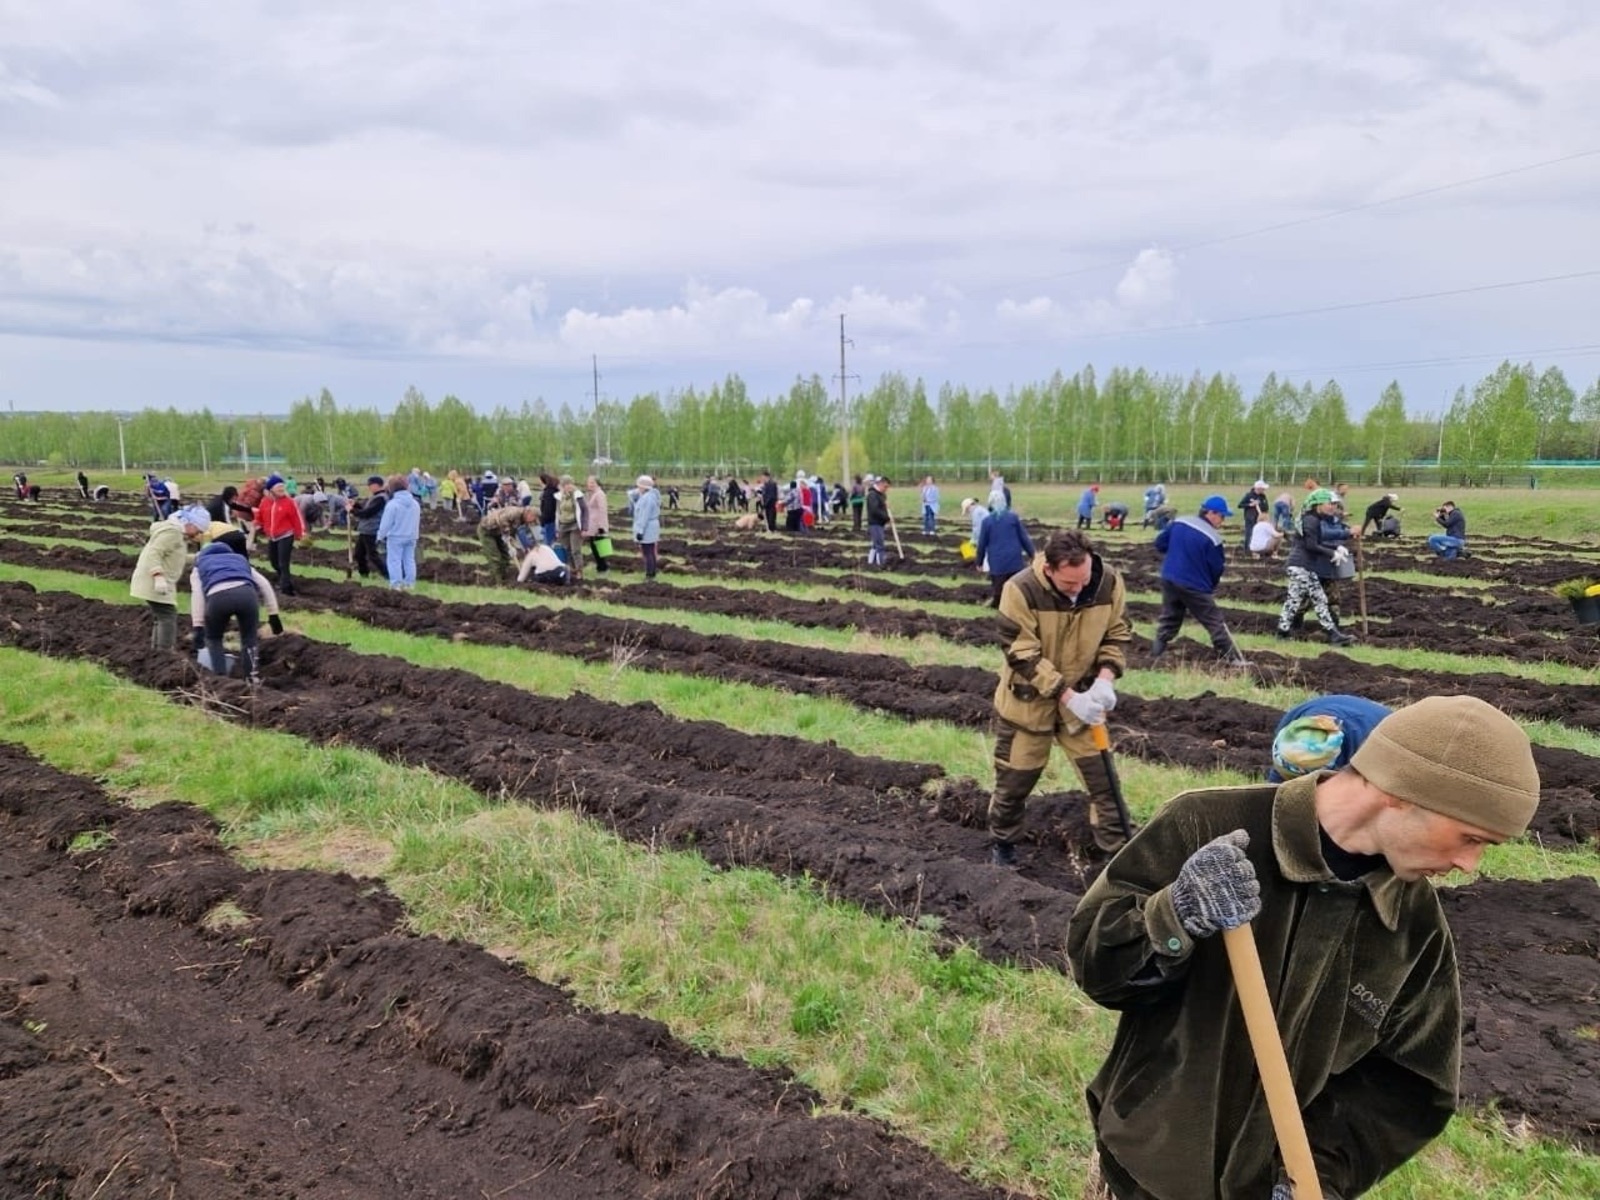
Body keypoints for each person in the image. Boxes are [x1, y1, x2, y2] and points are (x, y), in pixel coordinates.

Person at [1067, 695, 1539, 1200]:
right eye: (1471, 838)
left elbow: (1407, 1086)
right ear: (1400, 793)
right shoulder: (1205, 823)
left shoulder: (1413, 928)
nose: (1471, 865)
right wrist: (1174, 915)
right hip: (1145, 1169)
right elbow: (1096, 968)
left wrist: (1319, 1175)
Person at [986, 530, 1132, 865]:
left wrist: (1105, 680)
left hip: (1083, 705)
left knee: (1105, 785)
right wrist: (1067, 696)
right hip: (1027, 704)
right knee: (1014, 784)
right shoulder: (1020, 590)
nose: (1078, 590)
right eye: (1069, 584)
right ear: (1049, 569)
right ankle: (1004, 848)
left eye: (1083, 581)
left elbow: (1118, 633)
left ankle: (1120, 861)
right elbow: (1021, 653)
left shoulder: (1107, 582)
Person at [1150, 495, 1249, 667]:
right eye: (1222, 516)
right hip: (1194, 585)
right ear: (1211, 513)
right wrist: (1208, 587)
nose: (1223, 521)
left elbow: (1159, 544)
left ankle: (1154, 655)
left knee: (1170, 617)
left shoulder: (1180, 522)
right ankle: (1234, 659)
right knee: (1214, 620)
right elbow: (1216, 568)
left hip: (1169, 578)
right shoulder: (1213, 539)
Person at [188, 530, 283, 684]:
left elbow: (197, 595)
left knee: (213, 638)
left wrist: (198, 626)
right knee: (249, 639)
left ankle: (220, 678)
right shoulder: (240, 560)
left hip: (218, 598)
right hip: (247, 596)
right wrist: (273, 614)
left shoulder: (200, 565)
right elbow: (264, 584)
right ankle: (251, 678)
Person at [1275, 489, 1356, 645]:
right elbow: (1311, 545)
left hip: (1300, 565)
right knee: (1319, 600)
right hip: (1302, 565)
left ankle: (1282, 632)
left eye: (1334, 504)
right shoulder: (1311, 520)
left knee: (1293, 600)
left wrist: (1336, 549)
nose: (1332, 507)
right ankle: (1333, 635)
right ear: (1317, 504)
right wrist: (1332, 553)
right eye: (1329, 504)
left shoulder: (1313, 519)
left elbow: (1316, 543)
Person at [130, 505, 210, 652]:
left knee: (161, 616)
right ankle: (165, 652)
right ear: (190, 523)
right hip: (154, 580)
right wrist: (158, 576)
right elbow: (154, 553)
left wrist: (197, 558)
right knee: (167, 615)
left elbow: (176, 557)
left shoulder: (178, 534)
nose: (198, 534)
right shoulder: (173, 532)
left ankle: (156, 652)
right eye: (199, 529)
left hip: (155, 580)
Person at [1267, 695, 1392, 783]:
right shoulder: (1291, 731)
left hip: (1379, 732)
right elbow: (1277, 782)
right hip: (1337, 705)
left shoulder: (1368, 745)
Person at [973, 497, 1035, 608]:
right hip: (1014, 560)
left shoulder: (987, 522)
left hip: (997, 563)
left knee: (999, 592)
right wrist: (1032, 554)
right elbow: (1024, 538)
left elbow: (982, 543)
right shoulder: (1013, 518)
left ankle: (1000, 605)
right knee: (1017, 587)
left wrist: (979, 562)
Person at [254, 474, 306, 596]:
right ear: (271, 490)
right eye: (278, 488)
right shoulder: (265, 502)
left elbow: (297, 519)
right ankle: (284, 579)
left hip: (286, 535)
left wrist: (300, 534)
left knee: (283, 563)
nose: (281, 490)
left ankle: (286, 589)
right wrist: (258, 523)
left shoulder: (289, 502)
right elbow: (260, 515)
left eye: (282, 488)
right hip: (272, 536)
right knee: (274, 562)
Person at [375, 472, 420, 590]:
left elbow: (385, 524)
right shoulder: (415, 503)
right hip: (411, 536)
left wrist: (379, 536)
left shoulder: (392, 505)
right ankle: (410, 584)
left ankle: (396, 585)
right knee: (409, 560)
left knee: (394, 561)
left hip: (396, 537)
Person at [478, 501, 538, 584]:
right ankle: (497, 581)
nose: (532, 521)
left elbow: (526, 533)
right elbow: (502, 519)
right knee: (495, 556)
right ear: (529, 513)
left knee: (505, 556)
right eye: (533, 518)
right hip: (487, 530)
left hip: (498, 533)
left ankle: (503, 576)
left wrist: (529, 547)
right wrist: (507, 535)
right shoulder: (514, 512)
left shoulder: (523, 520)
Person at [346, 475, 389, 578]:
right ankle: (364, 574)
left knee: (372, 555)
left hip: (372, 530)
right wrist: (355, 505)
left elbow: (368, 513)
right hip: (365, 530)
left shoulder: (381, 499)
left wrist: (352, 510)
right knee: (359, 554)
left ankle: (387, 575)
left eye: (370, 485)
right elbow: (365, 509)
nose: (368, 487)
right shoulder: (375, 497)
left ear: (376, 485)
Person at [553, 474, 588, 582]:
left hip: (575, 525)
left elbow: (585, 511)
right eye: (565, 484)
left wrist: (584, 527)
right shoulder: (559, 496)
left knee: (575, 550)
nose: (568, 486)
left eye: (569, 484)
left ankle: (579, 571)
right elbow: (558, 512)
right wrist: (557, 528)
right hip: (563, 525)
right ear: (562, 486)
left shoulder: (577, 495)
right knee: (566, 550)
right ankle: (571, 570)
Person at [631, 474, 662, 579]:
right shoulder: (650, 496)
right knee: (650, 551)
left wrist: (640, 531)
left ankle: (649, 574)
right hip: (651, 527)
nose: (638, 488)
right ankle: (652, 572)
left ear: (644, 487)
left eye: (639, 486)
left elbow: (644, 516)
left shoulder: (648, 499)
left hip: (647, 527)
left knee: (647, 552)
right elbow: (631, 495)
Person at [583, 475, 611, 573]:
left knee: (600, 547)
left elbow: (602, 511)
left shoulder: (600, 494)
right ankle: (600, 566)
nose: (590, 484)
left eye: (592, 482)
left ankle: (603, 567)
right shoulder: (592, 494)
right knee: (594, 547)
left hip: (598, 525)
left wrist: (601, 526)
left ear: (597, 483)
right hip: (592, 525)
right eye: (589, 482)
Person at [865, 476, 892, 567]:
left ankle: (870, 562)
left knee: (875, 544)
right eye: (885, 487)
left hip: (880, 523)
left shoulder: (881, 495)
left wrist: (886, 507)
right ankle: (881, 564)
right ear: (880, 484)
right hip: (875, 523)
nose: (886, 489)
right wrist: (886, 518)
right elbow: (874, 510)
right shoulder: (872, 495)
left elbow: (881, 507)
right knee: (879, 545)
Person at [1238, 480, 1268, 550]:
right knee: (1249, 532)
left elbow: (1266, 507)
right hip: (1250, 517)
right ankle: (1247, 549)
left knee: (1258, 533)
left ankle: (1257, 548)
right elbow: (1240, 505)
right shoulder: (1249, 495)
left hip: (1260, 518)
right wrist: (1250, 505)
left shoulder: (1263, 496)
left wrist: (1260, 504)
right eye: (1263, 489)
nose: (1264, 490)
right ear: (1258, 488)